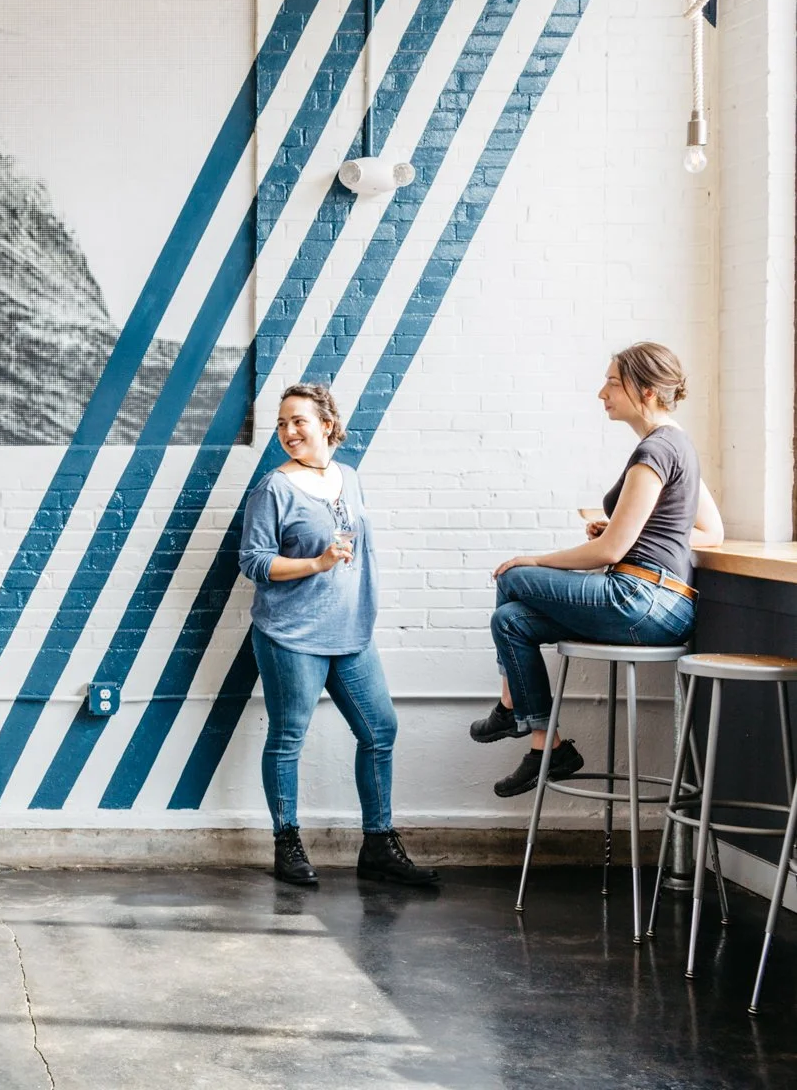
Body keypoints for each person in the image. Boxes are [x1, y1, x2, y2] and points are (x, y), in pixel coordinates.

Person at [475, 344, 724, 798]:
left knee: (512, 577)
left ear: (645, 390)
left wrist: (537, 558)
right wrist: (632, 529)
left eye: (612, 382)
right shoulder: (677, 443)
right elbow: (711, 531)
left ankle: (511, 705)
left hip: (642, 599)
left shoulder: (654, 450)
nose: (601, 393)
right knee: (508, 621)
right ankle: (545, 746)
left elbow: (608, 553)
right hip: (663, 604)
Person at [239, 383, 439, 889]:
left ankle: (378, 846)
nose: (287, 432)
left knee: (380, 732)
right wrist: (316, 562)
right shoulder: (272, 489)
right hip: (291, 636)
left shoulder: (349, 478)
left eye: (298, 421)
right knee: (288, 740)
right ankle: (287, 843)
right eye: (282, 424)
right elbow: (254, 562)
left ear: (327, 424)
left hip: (351, 634)